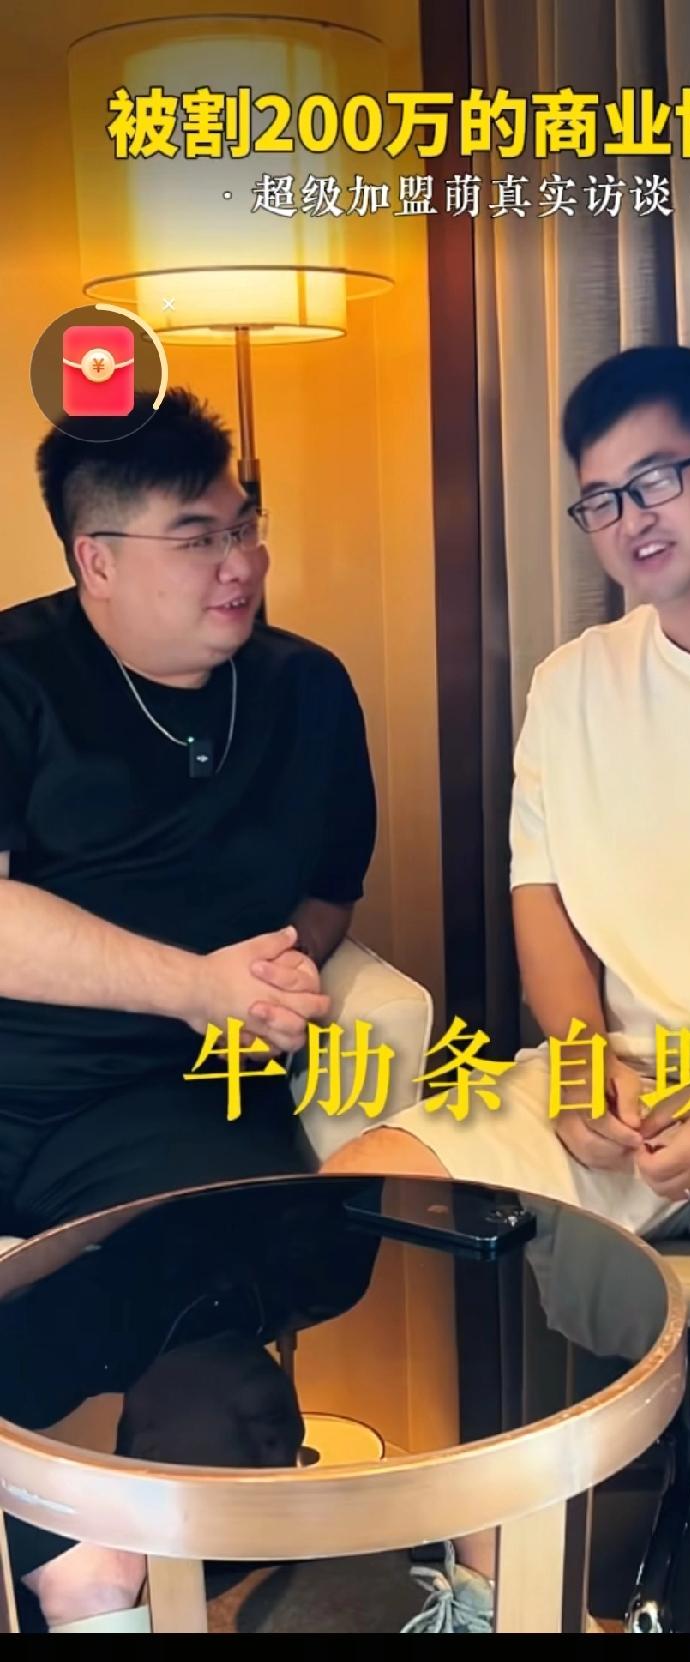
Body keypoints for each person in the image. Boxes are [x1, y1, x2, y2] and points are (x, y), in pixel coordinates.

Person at [326, 346, 690, 1634]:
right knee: (356, 1199)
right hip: (616, 1076)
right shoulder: (571, 682)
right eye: (597, 499)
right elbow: (540, 902)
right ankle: (496, 1589)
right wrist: (577, 1058)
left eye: (654, 479)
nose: (625, 519)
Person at [0, 388, 376, 1629]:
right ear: (96, 560)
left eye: (243, 526)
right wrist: (199, 985)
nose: (241, 562)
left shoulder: (305, 690)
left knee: (230, 1310)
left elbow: (329, 888)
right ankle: (74, 1564)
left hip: (170, 1096)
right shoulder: (14, 677)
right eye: (198, 537)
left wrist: (279, 973)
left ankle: (97, 1567)